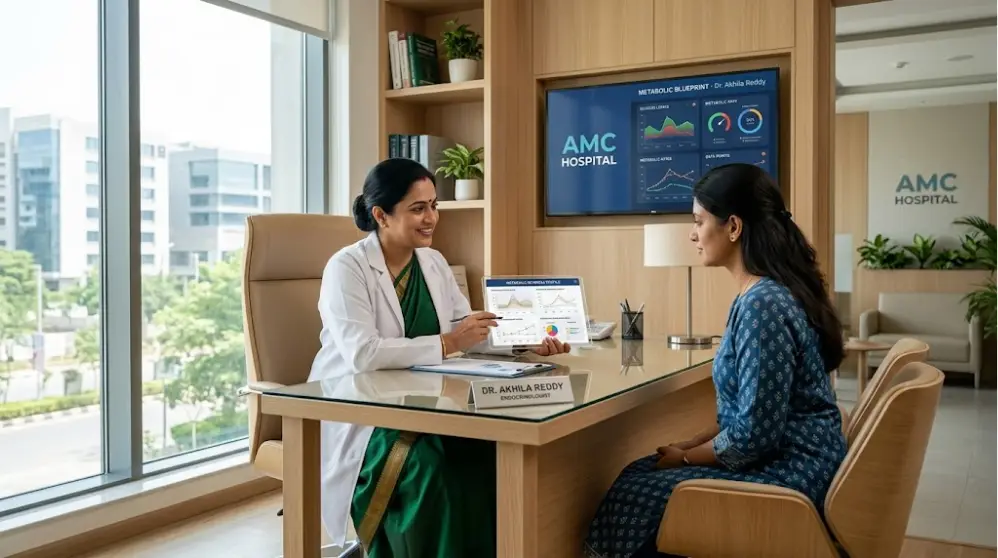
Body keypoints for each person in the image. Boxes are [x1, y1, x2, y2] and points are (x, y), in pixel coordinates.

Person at [309, 157, 571, 558]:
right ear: (381, 214)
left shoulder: (431, 261)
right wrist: (449, 341)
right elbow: (363, 354)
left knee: (488, 455)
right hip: (368, 408)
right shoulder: (347, 268)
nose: (431, 218)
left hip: (429, 399)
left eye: (434, 205)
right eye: (418, 208)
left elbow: (464, 329)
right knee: (437, 470)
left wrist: (522, 344)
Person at [584, 163, 847, 558]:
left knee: (633, 490)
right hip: (800, 458)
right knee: (641, 472)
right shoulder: (765, 294)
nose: (693, 234)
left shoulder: (762, 304)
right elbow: (754, 411)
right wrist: (695, 441)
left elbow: (755, 436)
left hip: (791, 474)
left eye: (699, 221)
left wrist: (687, 457)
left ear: (734, 227)